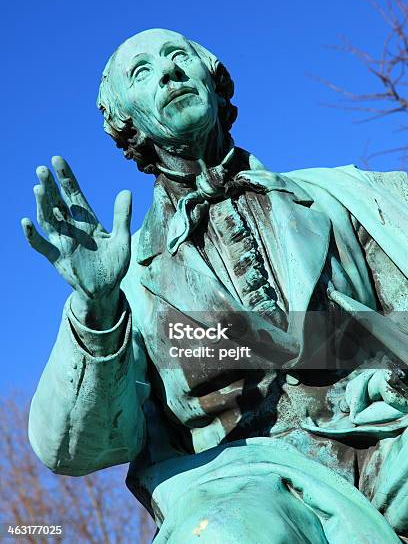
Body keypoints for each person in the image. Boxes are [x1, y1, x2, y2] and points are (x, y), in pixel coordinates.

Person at [23, 29, 408, 542]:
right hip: (243, 480)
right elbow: (70, 449)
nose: (167, 72)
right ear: (126, 121)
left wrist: (386, 372)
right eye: (142, 74)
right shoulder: (131, 282)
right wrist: (97, 307)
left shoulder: (343, 197)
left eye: (178, 56)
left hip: (387, 439)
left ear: (213, 77)